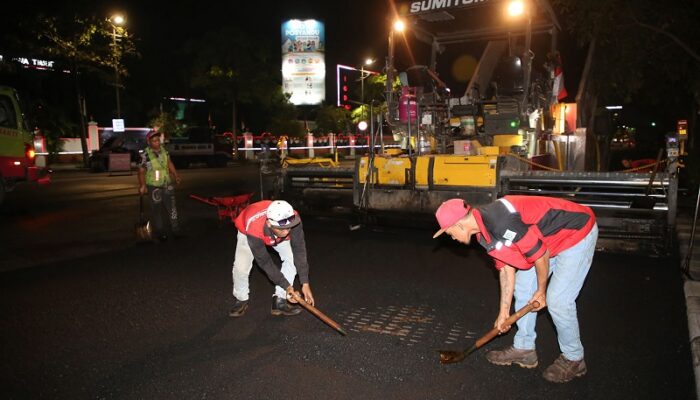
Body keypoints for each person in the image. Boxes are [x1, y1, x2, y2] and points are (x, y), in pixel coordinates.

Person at [433, 195, 598, 383]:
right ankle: (524, 349)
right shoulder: (483, 235)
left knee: (557, 301)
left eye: (449, 232)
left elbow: (540, 254)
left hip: (575, 232)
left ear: (459, 224)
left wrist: (541, 291)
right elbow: (505, 269)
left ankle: (574, 358)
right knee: (523, 286)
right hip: (547, 240)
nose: (451, 237)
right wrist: (503, 313)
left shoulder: (501, 220)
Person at [228, 199, 315, 317]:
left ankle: (279, 300)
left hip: (273, 232)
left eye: (289, 228)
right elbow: (265, 262)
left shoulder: (293, 219)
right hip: (249, 231)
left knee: (292, 259)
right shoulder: (254, 229)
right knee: (241, 267)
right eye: (282, 229)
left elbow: (299, 249)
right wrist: (287, 286)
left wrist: (305, 282)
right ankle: (241, 299)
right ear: (269, 223)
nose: (286, 232)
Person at [138, 130, 182, 242]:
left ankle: (176, 231)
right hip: (153, 187)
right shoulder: (145, 155)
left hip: (167, 184)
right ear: (149, 142)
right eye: (154, 141)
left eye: (158, 140)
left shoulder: (164, 151)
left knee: (172, 209)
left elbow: (169, 163)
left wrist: (176, 175)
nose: (157, 142)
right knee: (157, 211)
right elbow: (141, 171)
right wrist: (143, 185)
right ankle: (161, 233)